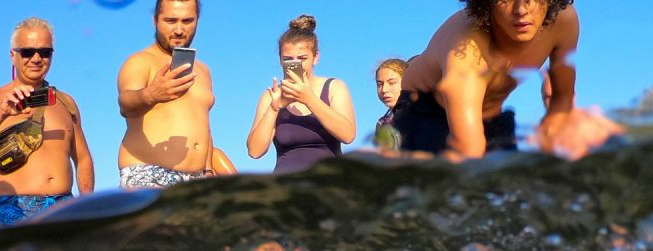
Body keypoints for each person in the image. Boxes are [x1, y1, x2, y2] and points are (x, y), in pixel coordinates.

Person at [392, 0, 620, 160]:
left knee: (513, 197)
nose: (521, 9)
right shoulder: (467, 52)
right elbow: (469, 150)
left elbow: (562, 97)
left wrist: (555, 139)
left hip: (490, 114)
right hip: (421, 112)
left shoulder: (565, 22)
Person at [0, 18, 95, 228]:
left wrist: (86, 205)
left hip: (65, 206)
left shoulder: (66, 102)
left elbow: (83, 158)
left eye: (45, 52)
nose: (37, 58)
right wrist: (0, 115)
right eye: (28, 52)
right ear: (13, 55)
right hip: (17, 208)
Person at [117, 0, 218, 188]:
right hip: (149, 174)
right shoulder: (140, 61)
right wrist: (150, 95)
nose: (179, 30)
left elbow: (202, 124)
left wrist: (208, 169)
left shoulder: (203, 70)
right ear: (155, 20)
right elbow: (125, 104)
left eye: (187, 21)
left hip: (197, 179)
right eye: (171, 21)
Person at [246, 15, 356, 173]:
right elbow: (255, 151)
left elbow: (348, 135)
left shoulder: (334, 87)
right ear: (280, 60)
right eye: (288, 59)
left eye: (302, 58)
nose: (295, 64)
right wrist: (274, 108)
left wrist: (309, 99)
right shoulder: (271, 96)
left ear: (315, 57)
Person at [372, 57, 407, 150]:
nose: (384, 90)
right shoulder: (382, 124)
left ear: (407, 81)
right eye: (380, 84)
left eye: (391, 83)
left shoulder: (421, 114)